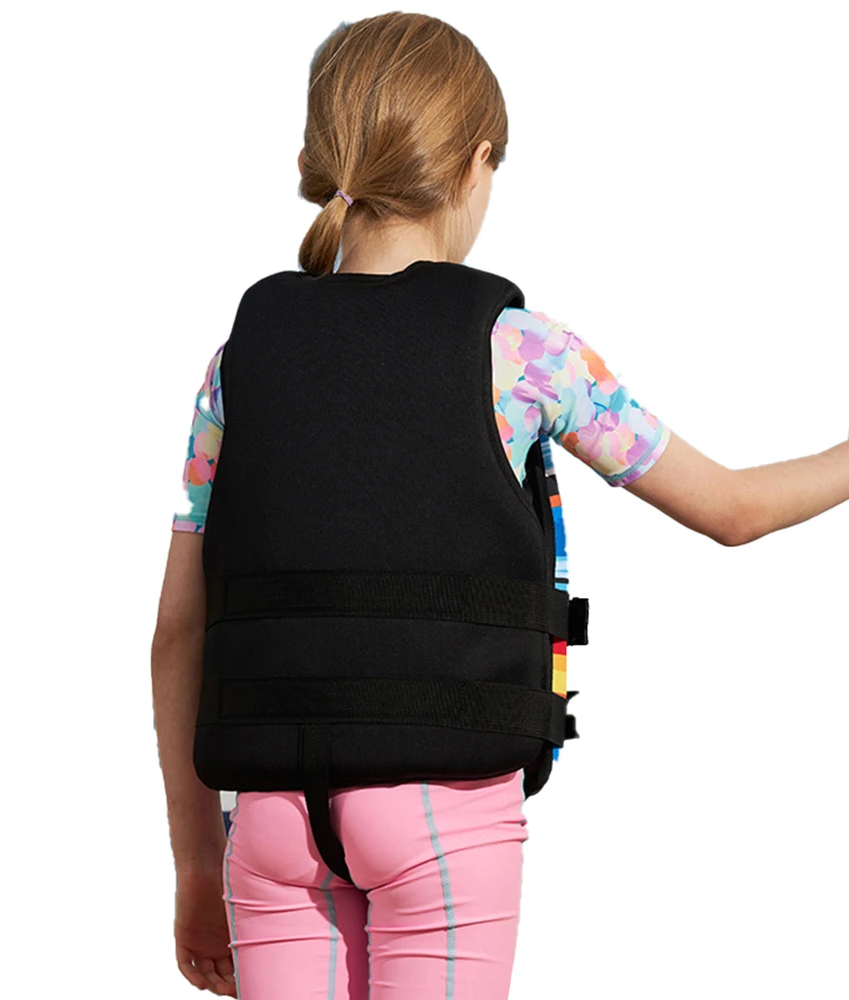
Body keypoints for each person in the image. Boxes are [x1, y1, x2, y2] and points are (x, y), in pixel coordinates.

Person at [150, 13, 849, 1000]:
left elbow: (179, 633)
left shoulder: (237, 363)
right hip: (439, 816)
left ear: (319, 158)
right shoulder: (521, 352)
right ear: (476, 164)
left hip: (269, 825)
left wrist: (195, 868)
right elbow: (733, 508)